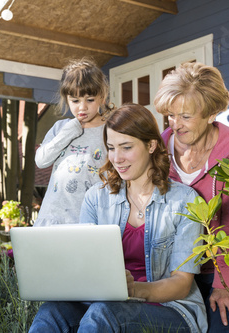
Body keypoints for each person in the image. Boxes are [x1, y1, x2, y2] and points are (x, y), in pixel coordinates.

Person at [29, 104, 208, 333]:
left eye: (126, 147)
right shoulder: (96, 198)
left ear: (151, 145)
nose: (117, 158)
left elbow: (182, 284)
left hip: (170, 309)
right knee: (50, 313)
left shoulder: (185, 201)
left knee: (104, 313)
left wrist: (133, 290)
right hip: (104, 306)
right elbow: (85, 266)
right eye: (111, 148)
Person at [154, 62, 229, 332]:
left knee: (223, 325)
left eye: (185, 116)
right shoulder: (160, 147)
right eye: (170, 115)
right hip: (183, 268)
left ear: (210, 114)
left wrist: (225, 284)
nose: (175, 125)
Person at [34, 58, 112, 226]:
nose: (82, 107)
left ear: (102, 97)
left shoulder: (110, 130)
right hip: (53, 214)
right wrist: (68, 132)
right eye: (75, 101)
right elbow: (41, 161)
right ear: (66, 99)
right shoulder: (60, 127)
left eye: (90, 100)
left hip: (88, 217)